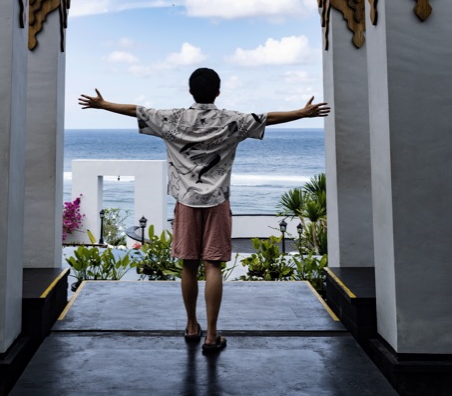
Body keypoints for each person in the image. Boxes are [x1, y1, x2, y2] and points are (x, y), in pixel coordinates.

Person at [78, 67, 330, 354]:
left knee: (188, 264)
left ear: (190, 91)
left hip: (185, 202)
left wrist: (103, 105)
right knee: (213, 266)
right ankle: (211, 335)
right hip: (218, 201)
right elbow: (267, 118)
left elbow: (138, 111)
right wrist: (302, 112)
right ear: (218, 92)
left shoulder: (172, 118)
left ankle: (191, 326)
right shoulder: (232, 121)